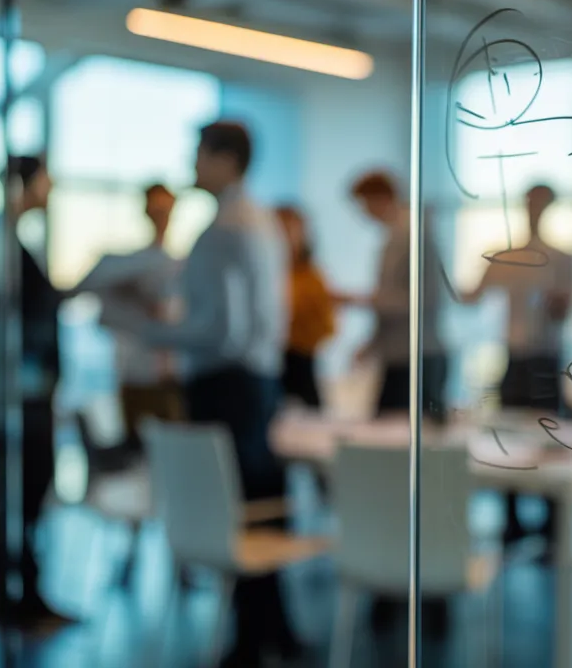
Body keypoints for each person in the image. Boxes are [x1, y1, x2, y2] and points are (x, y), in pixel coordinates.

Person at [105, 121, 298, 666]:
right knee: (259, 507)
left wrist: (148, 329)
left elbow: (222, 332)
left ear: (224, 159)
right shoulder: (260, 222)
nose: (192, 164)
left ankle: (250, 639)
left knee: (240, 513)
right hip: (255, 382)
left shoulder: (226, 229)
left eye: (199, 154)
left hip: (227, 384)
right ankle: (271, 628)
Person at [0, 155, 76, 630]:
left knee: (27, 487)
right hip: (18, 394)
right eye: (44, 182)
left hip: (27, 392)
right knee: (17, 489)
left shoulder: (8, 243)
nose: (49, 191)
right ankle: (11, 598)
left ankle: (25, 593)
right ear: (24, 185)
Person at [458, 184, 572, 544]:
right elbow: (470, 297)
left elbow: (564, 311)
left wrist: (555, 300)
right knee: (507, 437)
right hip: (514, 358)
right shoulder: (508, 256)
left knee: (548, 440)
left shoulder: (561, 258)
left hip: (545, 359)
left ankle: (552, 524)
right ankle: (512, 520)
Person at [79, 183, 183, 454]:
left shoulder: (180, 265)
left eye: (166, 208)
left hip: (173, 377)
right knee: (138, 455)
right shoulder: (129, 265)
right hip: (136, 374)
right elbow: (87, 286)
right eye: (155, 208)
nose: (161, 215)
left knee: (172, 455)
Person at [344, 170, 448, 423]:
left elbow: (420, 300)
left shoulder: (409, 234)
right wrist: (373, 342)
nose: (364, 213)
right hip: (405, 353)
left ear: (379, 198)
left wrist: (357, 300)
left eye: (365, 204)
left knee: (400, 441)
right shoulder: (400, 234)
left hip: (416, 356)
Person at [276, 205, 337, 410]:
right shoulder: (266, 275)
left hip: (299, 359)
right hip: (267, 362)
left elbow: (327, 327)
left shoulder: (311, 276)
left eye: (290, 231)